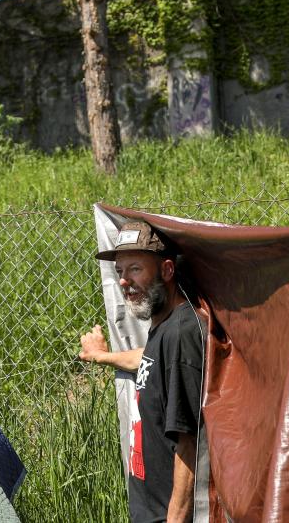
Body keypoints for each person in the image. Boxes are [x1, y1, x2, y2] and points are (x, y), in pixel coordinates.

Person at [78, 220, 205, 523]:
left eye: (135, 269)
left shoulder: (182, 333)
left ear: (167, 271)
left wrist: (176, 518)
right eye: (120, 272)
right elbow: (148, 360)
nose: (124, 281)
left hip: (170, 515)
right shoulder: (165, 330)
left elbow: (190, 443)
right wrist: (101, 356)